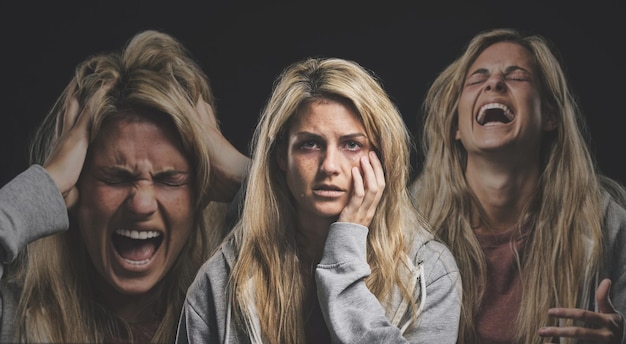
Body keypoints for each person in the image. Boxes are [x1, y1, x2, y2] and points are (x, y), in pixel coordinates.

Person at [176, 57, 462, 344]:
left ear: (382, 157)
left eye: (352, 144)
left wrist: (344, 258)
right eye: (309, 144)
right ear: (281, 157)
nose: (329, 166)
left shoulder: (430, 272)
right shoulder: (221, 279)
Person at [0, 30, 248, 343]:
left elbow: (320, 249)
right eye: (116, 177)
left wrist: (241, 175)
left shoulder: (237, 316)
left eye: (169, 178)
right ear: (75, 187)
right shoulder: (14, 319)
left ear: (203, 190)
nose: (141, 204)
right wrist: (48, 181)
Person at [410, 27, 626, 344]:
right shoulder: (406, 228)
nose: (494, 83)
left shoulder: (608, 226)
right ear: (456, 126)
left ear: (550, 116)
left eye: (517, 76)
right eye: (477, 79)